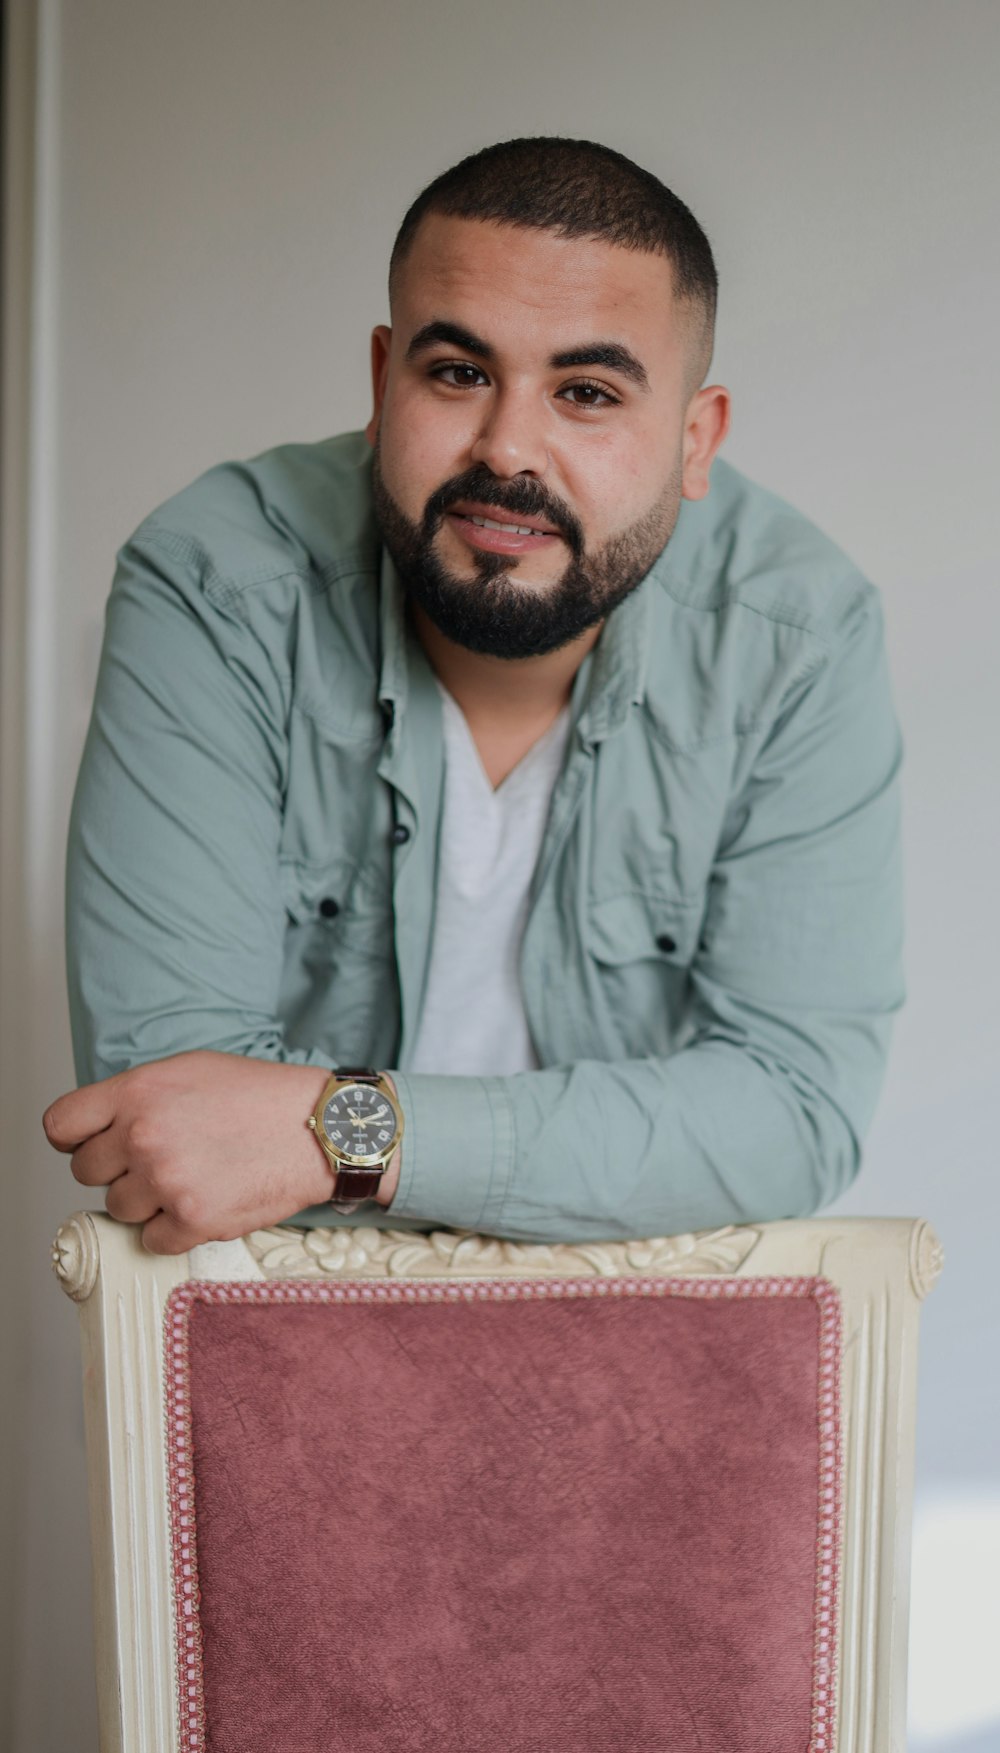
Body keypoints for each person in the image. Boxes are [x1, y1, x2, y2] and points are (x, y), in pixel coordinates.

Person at [41, 137, 903, 1255]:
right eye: (457, 373)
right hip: (276, 1335)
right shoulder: (218, 582)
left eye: (585, 392)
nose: (506, 451)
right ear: (380, 382)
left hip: (631, 1349)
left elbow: (793, 1113)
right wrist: (629, 1153)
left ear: (695, 440)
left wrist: (349, 1134)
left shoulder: (794, 631)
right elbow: (166, 1125)